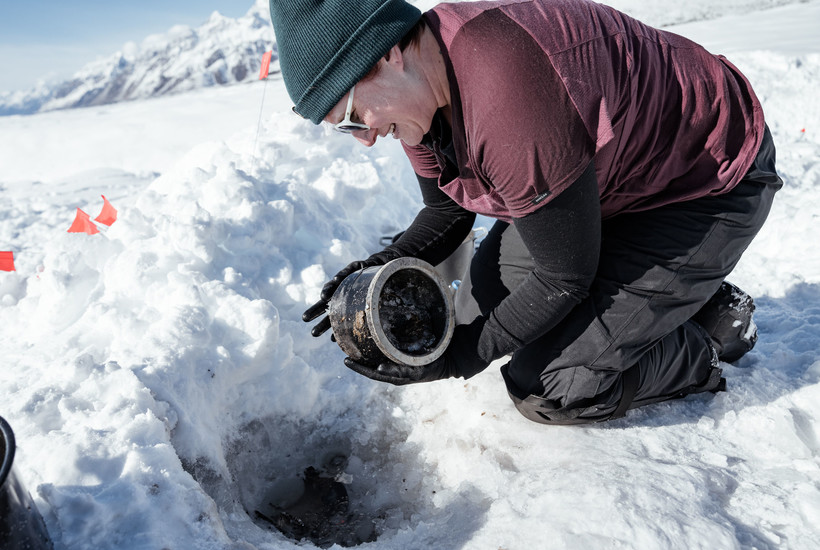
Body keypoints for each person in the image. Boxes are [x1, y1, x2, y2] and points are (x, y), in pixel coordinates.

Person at [269, 0, 783, 424]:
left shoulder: (505, 91)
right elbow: (447, 212)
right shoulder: (422, 97)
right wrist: (378, 265)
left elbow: (564, 277)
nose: (364, 138)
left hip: (707, 179)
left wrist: (459, 358)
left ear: (387, 55)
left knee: (551, 385)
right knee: (490, 290)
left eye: (353, 116)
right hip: (614, 182)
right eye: (344, 128)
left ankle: (706, 335)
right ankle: (670, 294)